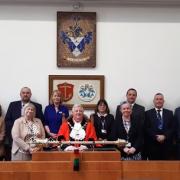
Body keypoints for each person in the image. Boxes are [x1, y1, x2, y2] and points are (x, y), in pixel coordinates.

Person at [4, 87, 44, 160]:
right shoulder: (13, 106)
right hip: (19, 147)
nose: (25, 94)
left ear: (30, 94)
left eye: (27, 93)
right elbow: (7, 121)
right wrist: (18, 127)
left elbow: (42, 133)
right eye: (23, 93)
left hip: (36, 150)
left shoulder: (37, 107)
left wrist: (38, 146)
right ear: (20, 94)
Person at [145, 93, 174, 160]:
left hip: (166, 145)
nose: (159, 101)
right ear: (154, 101)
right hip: (152, 145)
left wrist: (164, 136)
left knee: (166, 167)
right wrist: (156, 137)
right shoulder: (147, 113)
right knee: (153, 167)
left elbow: (172, 128)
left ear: (163, 101)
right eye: (157, 99)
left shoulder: (169, 113)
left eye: (161, 99)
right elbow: (146, 128)